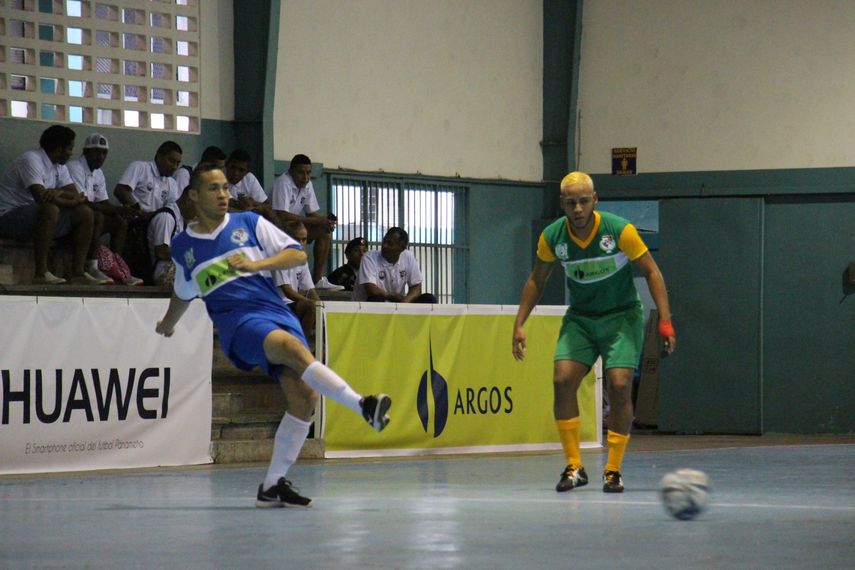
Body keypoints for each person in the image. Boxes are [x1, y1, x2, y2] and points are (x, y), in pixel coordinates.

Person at [155, 165, 392, 508]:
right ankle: (363, 405)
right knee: (291, 348)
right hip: (238, 321)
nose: (223, 195)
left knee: (305, 397)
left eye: (225, 187)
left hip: (275, 311)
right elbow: (183, 291)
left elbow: (296, 253)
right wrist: (168, 323)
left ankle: (271, 485)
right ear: (193, 195)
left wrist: (257, 265)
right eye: (213, 188)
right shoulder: (183, 245)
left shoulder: (248, 223)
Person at [511, 171, 676, 494]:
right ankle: (575, 466)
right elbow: (536, 280)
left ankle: (613, 470)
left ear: (595, 200)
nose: (578, 209)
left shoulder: (619, 230)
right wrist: (519, 323)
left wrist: (665, 321)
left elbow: (652, 272)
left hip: (621, 318)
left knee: (619, 384)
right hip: (581, 320)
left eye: (584, 201)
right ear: (562, 204)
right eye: (571, 203)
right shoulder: (553, 237)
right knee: (562, 380)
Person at [0, 125, 110, 285]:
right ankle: (41, 273)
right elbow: (42, 198)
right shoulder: (31, 160)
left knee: (85, 212)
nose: (71, 153)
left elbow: (73, 193)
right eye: (70, 149)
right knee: (50, 209)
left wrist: (58, 192)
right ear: (58, 149)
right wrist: (71, 200)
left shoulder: (60, 166)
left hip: (39, 218)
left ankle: (78, 272)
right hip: (10, 218)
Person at [67, 133, 142, 285]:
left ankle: (116, 267)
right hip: (74, 219)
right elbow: (83, 202)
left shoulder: (98, 173)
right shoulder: (75, 167)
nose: (100, 157)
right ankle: (92, 266)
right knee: (97, 215)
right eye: (96, 152)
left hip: (91, 218)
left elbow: (104, 202)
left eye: (104, 153)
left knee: (120, 222)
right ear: (86, 151)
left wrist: (122, 210)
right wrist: (116, 209)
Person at [270, 154, 335, 284]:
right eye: (301, 172)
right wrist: (316, 221)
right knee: (301, 231)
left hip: (293, 227)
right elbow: (281, 215)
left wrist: (325, 222)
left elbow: (311, 213)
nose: (305, 177)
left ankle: (318, 281)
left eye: (308, 173)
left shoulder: (308, 184)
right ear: (291, 171)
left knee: (325, 231)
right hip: (276, 228)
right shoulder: (283, 183)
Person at [352, 227, 436, 303]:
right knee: (376, 299)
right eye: (384, 241)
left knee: (428, 299)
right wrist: (390, 296)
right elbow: (371, 290)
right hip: (367, 306)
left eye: (390, 243)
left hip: (396, 305)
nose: (384, 245)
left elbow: (416, 287)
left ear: (401, 248)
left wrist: (405, 303)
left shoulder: (408, 257)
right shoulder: (369, 258)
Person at [273, 221, 321, 343]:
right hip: (275, 306)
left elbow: (310, 289)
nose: (300, 243)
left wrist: (322, 306)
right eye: (296, 239)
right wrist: (312, 304)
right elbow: (287, 291)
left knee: (322, 309)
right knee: (310, 306)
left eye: (304, 239)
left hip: (291, 305)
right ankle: (302, 345)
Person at [113, 141, 183, 218]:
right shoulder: (140, 167)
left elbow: (171, 207)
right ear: (159, 156)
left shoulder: (172, 183)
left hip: (155, 221)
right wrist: (139, 211)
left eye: (177, 163)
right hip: (133, 218)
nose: (175, 167)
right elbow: (120, 190)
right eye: (171, 161)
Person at [147, 186, 195, 286]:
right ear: (188, 200)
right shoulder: (166, 217)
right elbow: (161, 252)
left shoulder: (180, 218)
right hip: (163, 272)